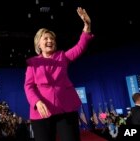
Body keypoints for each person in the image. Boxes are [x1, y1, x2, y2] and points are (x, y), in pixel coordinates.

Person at [24, 7, 94, 141]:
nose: (50, 41)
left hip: (65, 108)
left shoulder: (62, 57)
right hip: (42, 111)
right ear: (38, 43)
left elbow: (80, 47)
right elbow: (29, 87)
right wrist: (37, 102)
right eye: (46, 38)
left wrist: (87, 25)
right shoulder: (32, 63)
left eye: (52, 38)